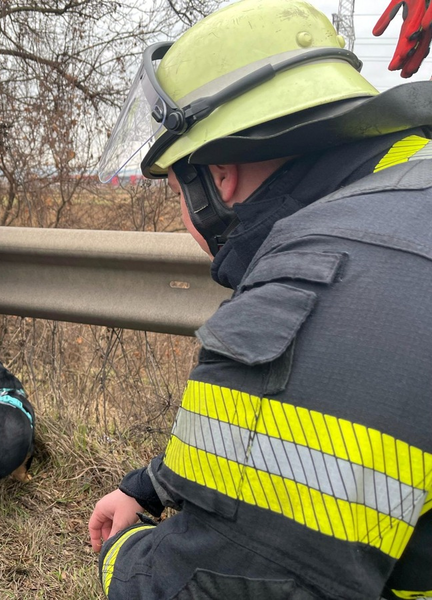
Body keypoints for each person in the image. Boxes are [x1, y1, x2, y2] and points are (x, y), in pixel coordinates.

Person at [91, 1, 432, 598]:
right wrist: (151, 485)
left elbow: (210, 584)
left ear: (218, 178)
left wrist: (120, 554)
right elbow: (295, 439)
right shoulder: (403, 198)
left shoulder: (317, 297)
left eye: (176, 187)